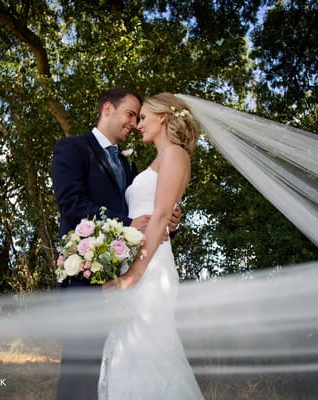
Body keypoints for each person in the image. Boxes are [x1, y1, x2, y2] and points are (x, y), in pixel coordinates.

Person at [50, 88, 180, 399]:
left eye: (139, 118)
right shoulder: (73, 149)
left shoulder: (129, 167)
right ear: (108, 108)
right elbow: (71, 203)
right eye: (131, 115)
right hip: (85, 277)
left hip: (126, 283)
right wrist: (127, 225)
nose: (135, 124)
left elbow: (143, 217)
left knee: (114, 375)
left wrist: (167, 223)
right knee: (80, 376)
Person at [99, 93, 204, 399]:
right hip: (141, 258)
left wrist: (134, 274)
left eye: (143, 117)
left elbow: (159, 215)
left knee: (150, 352)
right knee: (129, 351)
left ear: (162, 117)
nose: (137, 124)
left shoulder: (174, 154)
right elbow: (160, 211)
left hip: (150, 268)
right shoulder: (159, 160)